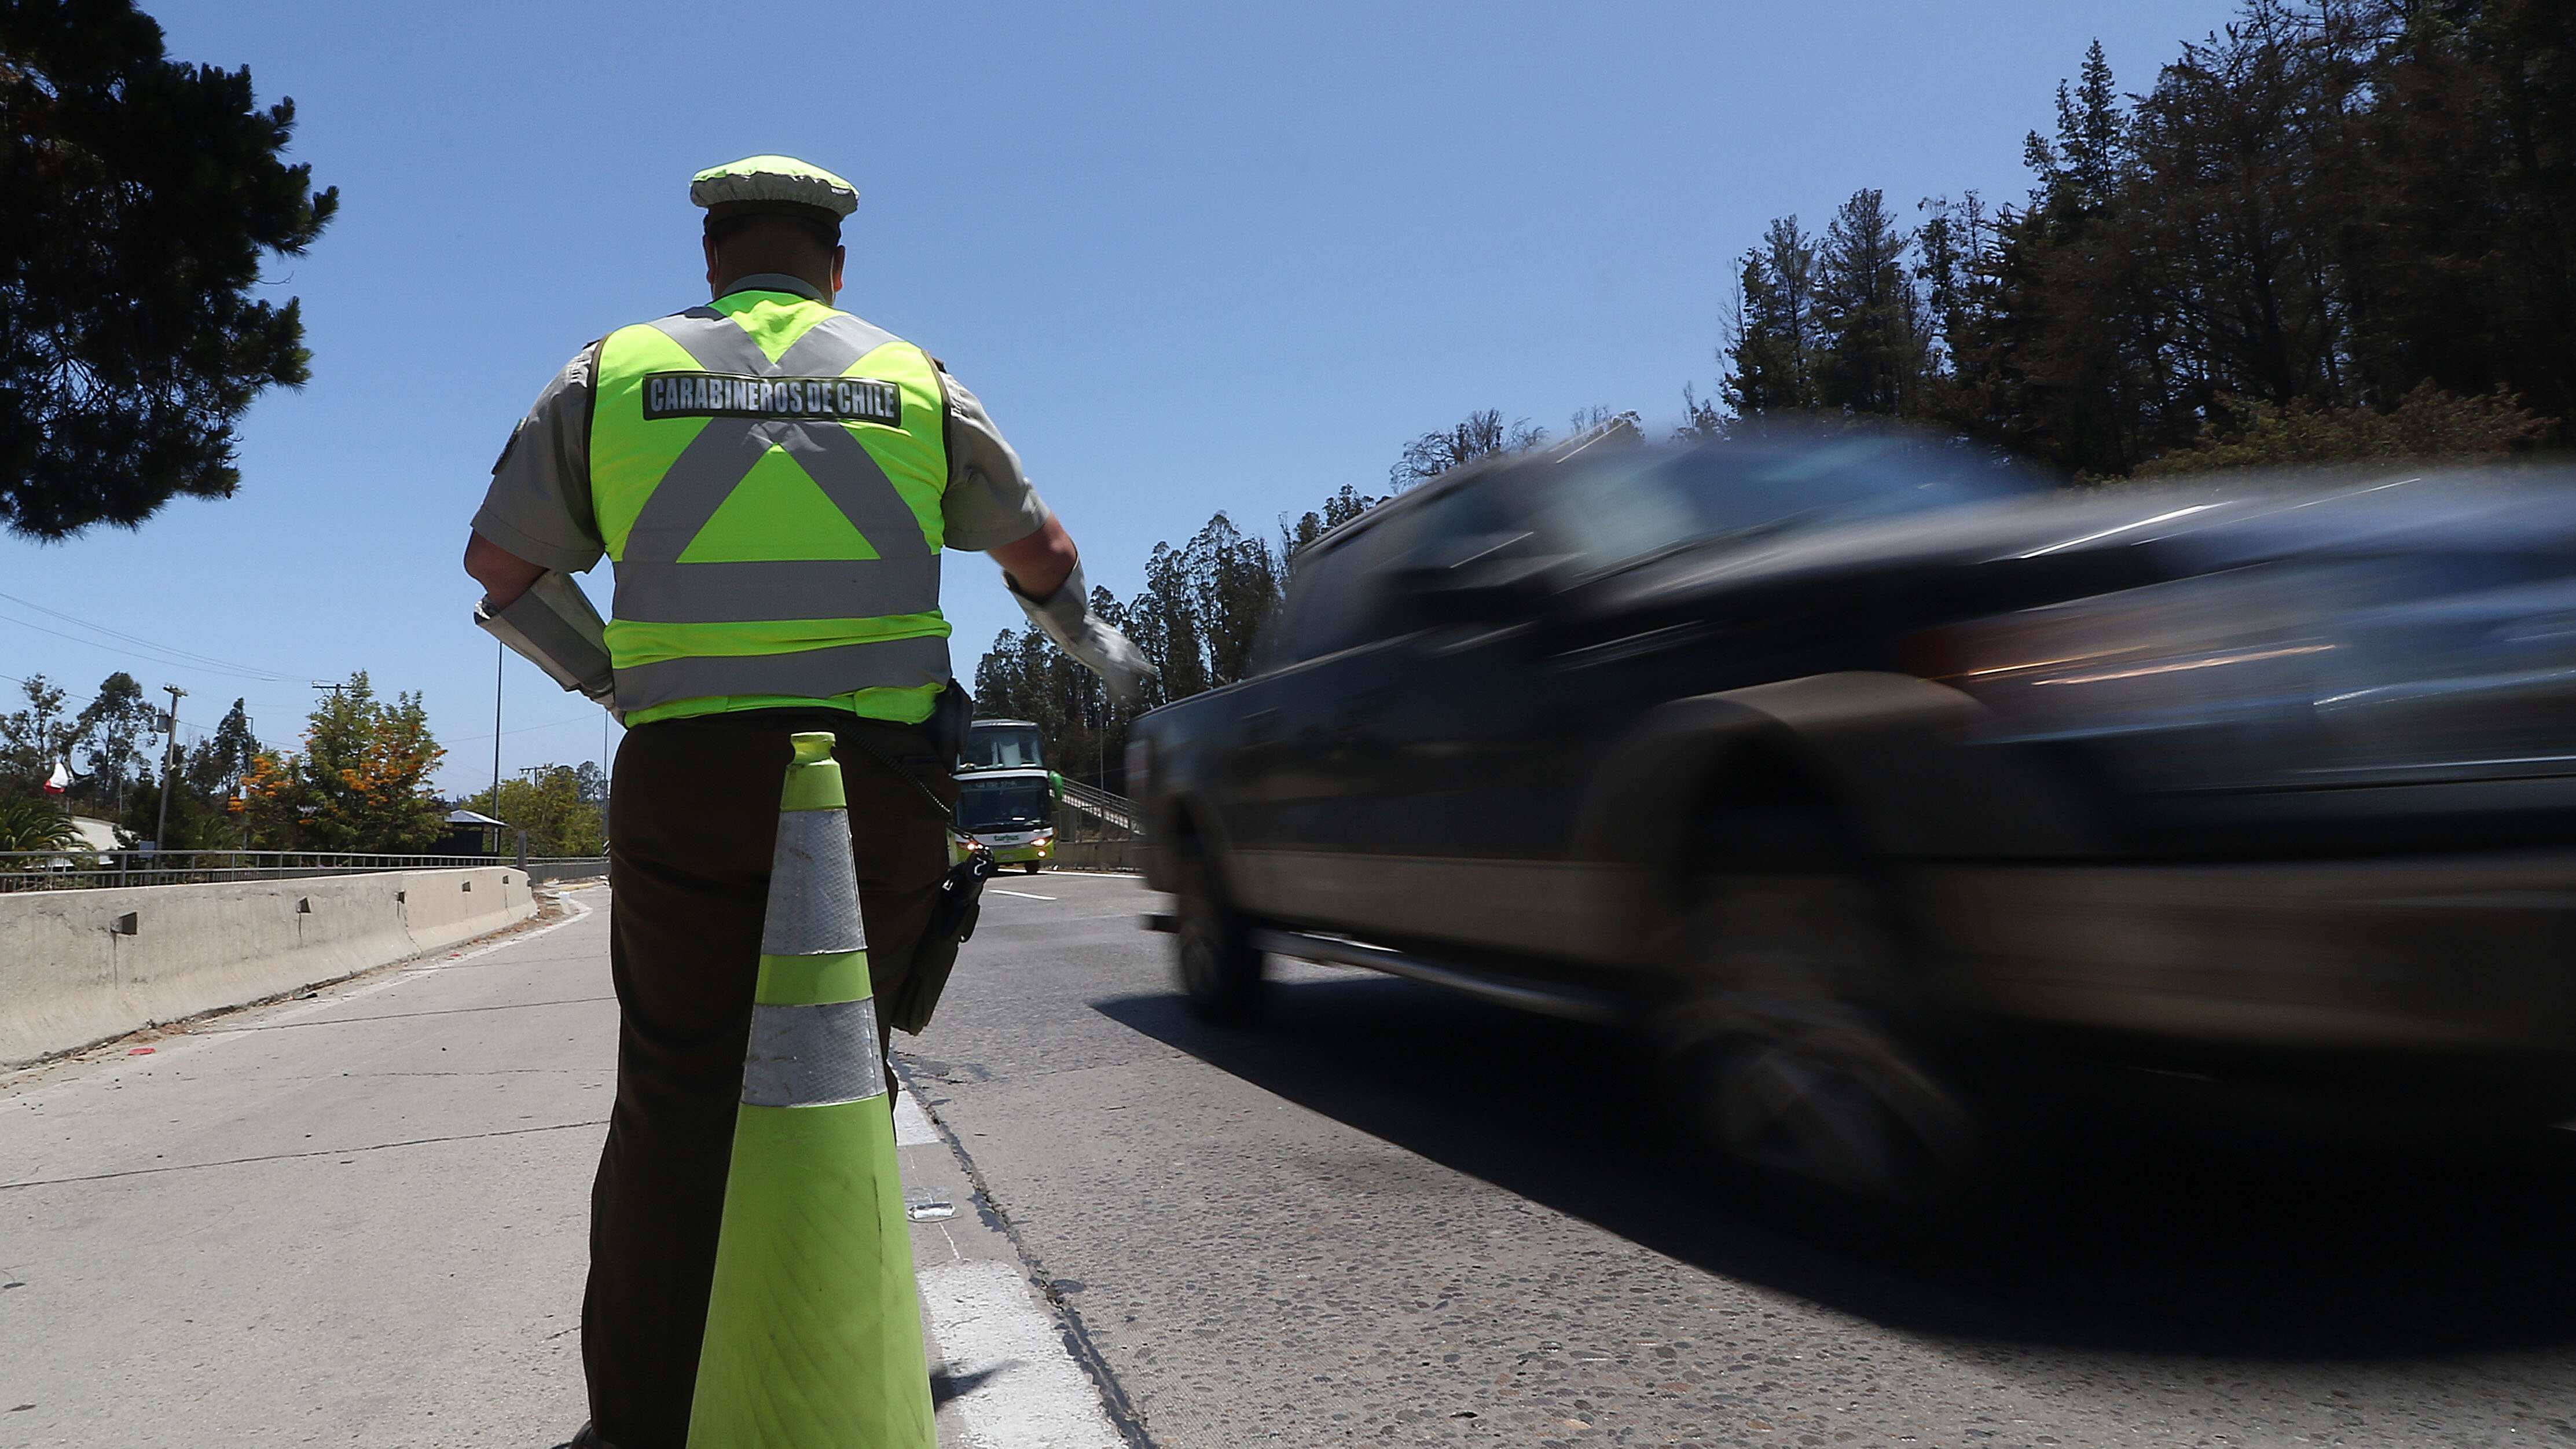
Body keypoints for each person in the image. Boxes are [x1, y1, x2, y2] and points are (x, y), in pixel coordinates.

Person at [461, 155, 1149, 1449]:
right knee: (840, 1075)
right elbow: (1042, 556)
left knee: (675, 1095)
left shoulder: (606, 374)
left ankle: (646, 1426)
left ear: (714, 261)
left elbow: (501, 569)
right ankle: (838, 1398)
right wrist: (1096, 648)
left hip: (687, 779)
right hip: (876, 786)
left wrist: (614, 679)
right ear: (835, 268)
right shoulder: (910, 377)